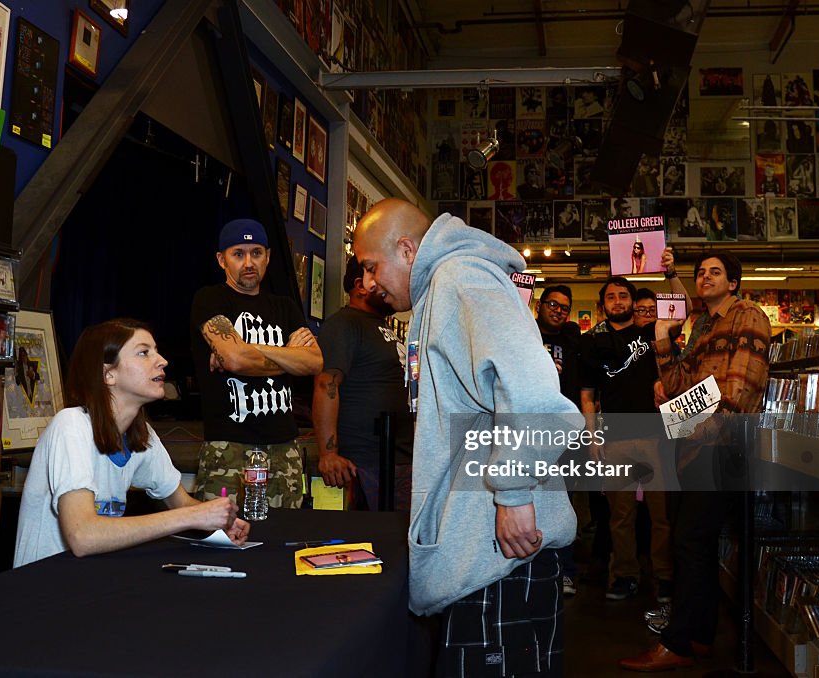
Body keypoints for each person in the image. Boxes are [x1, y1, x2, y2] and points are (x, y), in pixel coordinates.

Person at [354, 198, 578, 676]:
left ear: (408, 249)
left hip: (499, 553)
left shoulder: (463, 278)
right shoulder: (447, 286)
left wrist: (514, 493)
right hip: (484, 550)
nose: (369, 284)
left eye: (372, 267)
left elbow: (535, 391)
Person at [621, 252, 771, 672]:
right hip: (694, 448)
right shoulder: (704, 324)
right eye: (700, 272)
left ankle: (680, 642)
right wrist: (664, 339)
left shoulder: (748, 316)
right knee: (696, 546)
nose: (705, 277)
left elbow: (737, 393)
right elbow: (677, 384)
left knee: (689, 540)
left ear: (734, 281)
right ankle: (701, 636)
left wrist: (678, 422)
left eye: (715, 272)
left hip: (722, 448)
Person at [14, 318, 249, 567]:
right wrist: (192, 516)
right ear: (109, 375)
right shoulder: (70, 425)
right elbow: (82, 536)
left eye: (156, 352)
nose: (162, 361)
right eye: (143, 353)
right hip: (42, 588)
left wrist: (219, 522)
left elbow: (181, 503)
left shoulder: (142, 435)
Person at [190, 219, 322, 507]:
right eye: (238, 254)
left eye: (257, 253)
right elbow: (235, 360)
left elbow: (314, 362)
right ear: (221, 259)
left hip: (284, 447)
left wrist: (246, 351)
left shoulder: (285, 307)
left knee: (283, 539)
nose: (249, 262)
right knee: (222, 537)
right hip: (229, 446)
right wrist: (288, 355)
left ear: (268, 256)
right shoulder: (210, 299)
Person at [579, 275, 673, 604]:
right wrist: (592, 438)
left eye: (623, 296)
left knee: (661, 513)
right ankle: (624, 576)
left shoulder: (650, 334)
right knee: (620, 516)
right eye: (611, 297)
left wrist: (671, 273)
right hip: (615, 437)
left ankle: (664, 578)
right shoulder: (592, 343)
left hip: (655, 436)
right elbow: (588, 395)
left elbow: (682, 312)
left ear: (633, 302)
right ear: (602, 305)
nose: (618, 301)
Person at [312, 257, 409, 511]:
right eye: (380, 277)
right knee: (376, 543)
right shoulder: (345, 324)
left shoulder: (380, 326)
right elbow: (326, 384)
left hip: (396, 461)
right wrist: (328, 454)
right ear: (361, 285)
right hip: (367, 464)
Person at [535, 285, 584, 598]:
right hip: (533, 427)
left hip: (567, 428)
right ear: (540, 305)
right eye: (553, 304)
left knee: (566, 503)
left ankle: (566, 571)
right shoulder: (525, 333)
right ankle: (534, 567)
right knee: (534, 499)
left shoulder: (571, 338)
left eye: (564, 307)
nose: (558, 310)